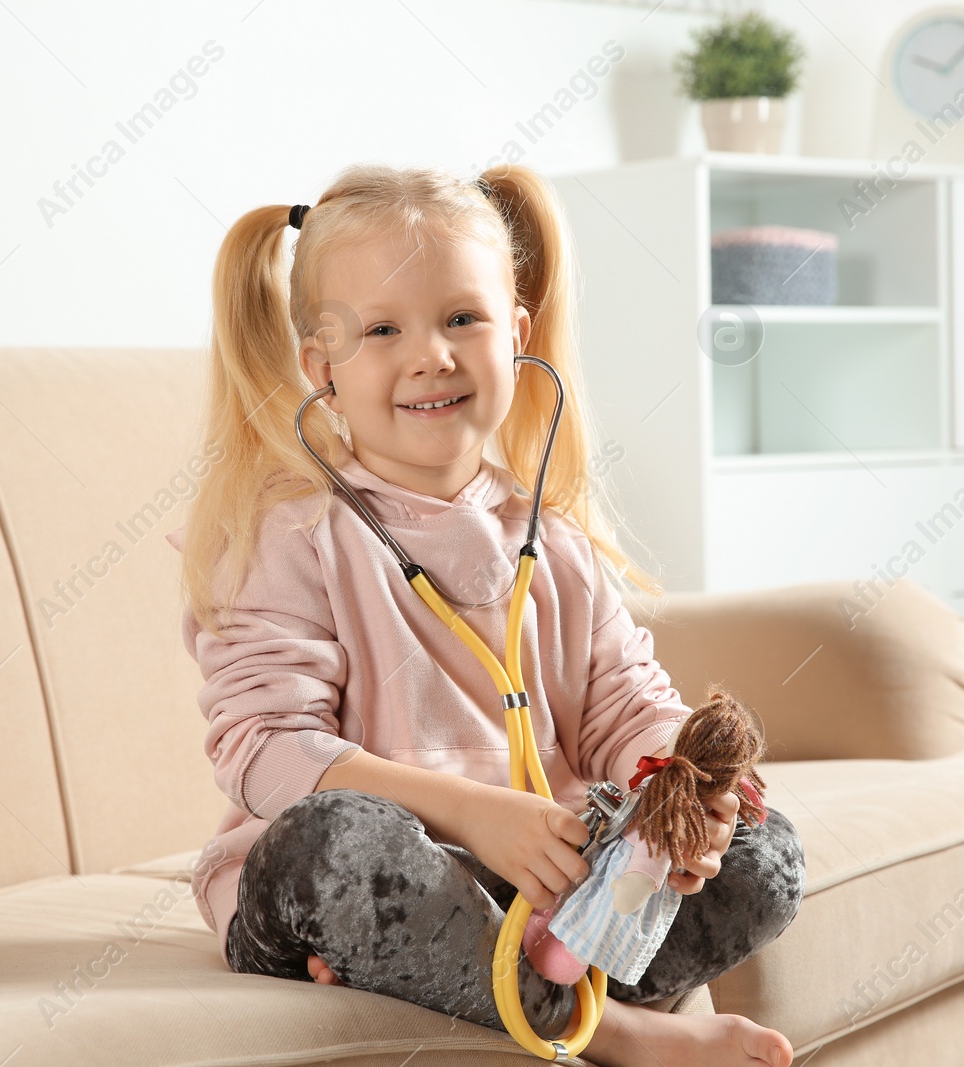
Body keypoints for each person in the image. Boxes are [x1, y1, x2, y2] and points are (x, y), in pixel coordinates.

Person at [166, 162, 806, 1067]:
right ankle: (612, 1026)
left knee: (762, 847)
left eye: (462, 318)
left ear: (516, 332)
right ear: (323, 368)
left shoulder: (553, 538)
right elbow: (265, 752)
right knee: (333, 840)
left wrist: (681, 789)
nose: (432, 354)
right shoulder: (292, 533)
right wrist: (477, 816)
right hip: (357, 881)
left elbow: (627, 702)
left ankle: (488, 975)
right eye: (382, 329)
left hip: (534, 894)